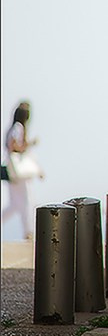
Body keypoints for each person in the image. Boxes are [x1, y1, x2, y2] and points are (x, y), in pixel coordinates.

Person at [2, 101, 43, 241]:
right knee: (26, 201)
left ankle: (28, 231)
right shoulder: (18, 128)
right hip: (18, 171)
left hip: (13, 169)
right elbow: (13, 146)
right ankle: (28, 232)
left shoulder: (13, 127)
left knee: (14, 204)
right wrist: (29, 144)